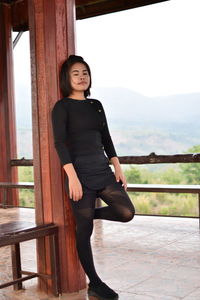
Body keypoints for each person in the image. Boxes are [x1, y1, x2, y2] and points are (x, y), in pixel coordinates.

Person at [52, 55, 135, 300]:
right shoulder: (62, 107)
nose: (81, 77)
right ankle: (95, 284)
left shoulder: (96, 104)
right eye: (76, 73)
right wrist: (72, 178)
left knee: (126, 212)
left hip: (102, 170)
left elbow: (106, 137)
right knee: (84, 231)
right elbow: (59, 144)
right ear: (67, 79)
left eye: (85, 72)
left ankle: (86, 214)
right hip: (80, 175)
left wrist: (117, 166)